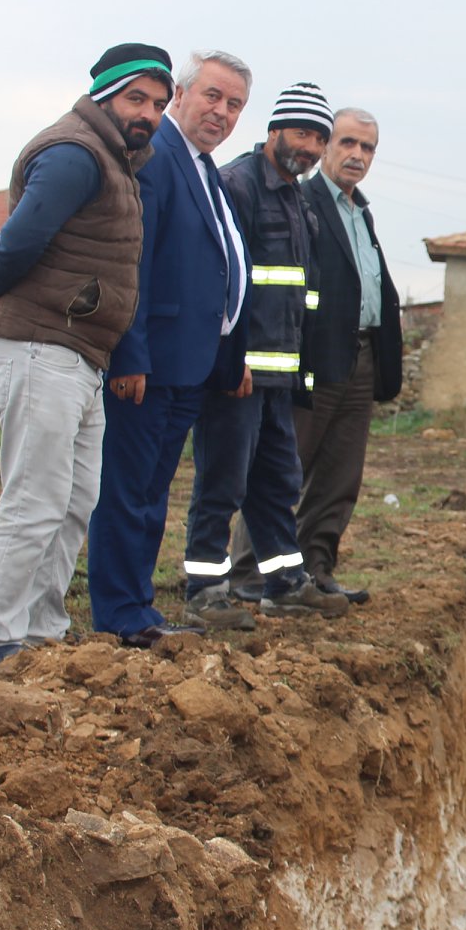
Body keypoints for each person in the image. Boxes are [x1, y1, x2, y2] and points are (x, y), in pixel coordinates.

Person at [0, 44, 174, 669]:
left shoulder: (117, 162)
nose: (150, 113)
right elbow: (20, 236)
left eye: (160, 103)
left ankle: (40, 632)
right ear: (106, 95)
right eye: (137, 98)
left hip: (82, 354)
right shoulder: (76, 153)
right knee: (35, 497)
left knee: (77, 497)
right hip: (41, 345)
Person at [88, 49, 253, 649]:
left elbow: (222, 267)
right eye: (212, 96)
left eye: (235, 104)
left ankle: (137, 605)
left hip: (191, 363)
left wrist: (231, 357)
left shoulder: (207, 171)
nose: (222, 112)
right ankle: (119, 612)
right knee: (129, 492)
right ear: (180, 96)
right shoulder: (157, 163)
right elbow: (134, 264)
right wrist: (130, 354)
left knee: (153, 492)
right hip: (150, 362)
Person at [179, 84, 348, 628]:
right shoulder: (238, 185)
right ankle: (205, 587)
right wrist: (232, 361)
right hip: (239, 373)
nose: (311, 147)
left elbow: (298, 292)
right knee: (223, 480)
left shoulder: (296, 196)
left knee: (277, 481)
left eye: (320, 139)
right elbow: (222, 280)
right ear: (274, 130)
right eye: (302, 133)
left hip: (280, 375)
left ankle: (283, 581)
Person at [233, 108, 401, 604]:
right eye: (347, 142)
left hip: (361, 356)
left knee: (339, 476)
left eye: (367, 147)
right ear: (326, 147)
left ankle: (316, 570)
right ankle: (248, 574)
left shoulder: (360, 210)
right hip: (312, 357)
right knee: (283, 470)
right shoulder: (301, 200)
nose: (357, 155)